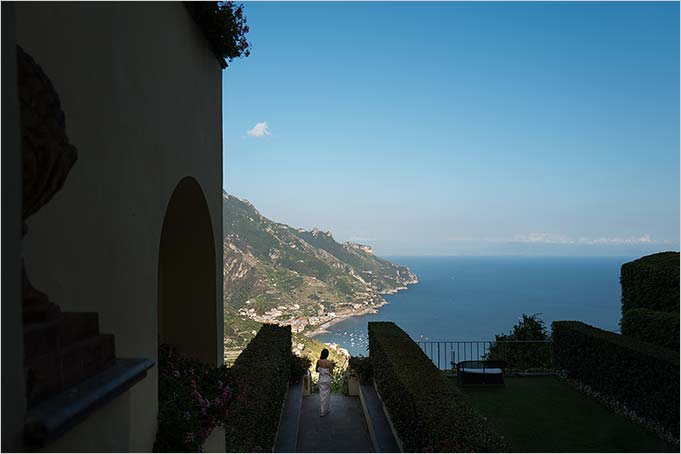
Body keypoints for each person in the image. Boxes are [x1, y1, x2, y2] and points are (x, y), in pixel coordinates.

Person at [316, 349, 335, 417]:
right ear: (327, 354)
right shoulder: (329, 363)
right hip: (327, 380)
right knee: (327, 395)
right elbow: (331, 372)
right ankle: (326, 409)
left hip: (321, 379)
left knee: (322, 396)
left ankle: (322, 411)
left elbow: (316, 370)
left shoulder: (318, 361)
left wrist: (321, 372)